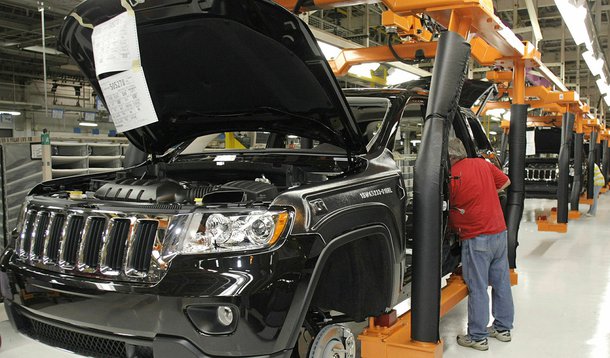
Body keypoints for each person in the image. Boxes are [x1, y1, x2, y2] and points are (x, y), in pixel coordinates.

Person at [447, 137, 514, 351]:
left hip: (476, 237)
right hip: (499, 233)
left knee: (478, 287)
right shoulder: (483, 164)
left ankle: (477, 336)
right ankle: (503, 329)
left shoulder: (453, 175)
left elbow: (444, 204)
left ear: (449, 157)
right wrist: (486, 194)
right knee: (501, 282)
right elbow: (506, 182)